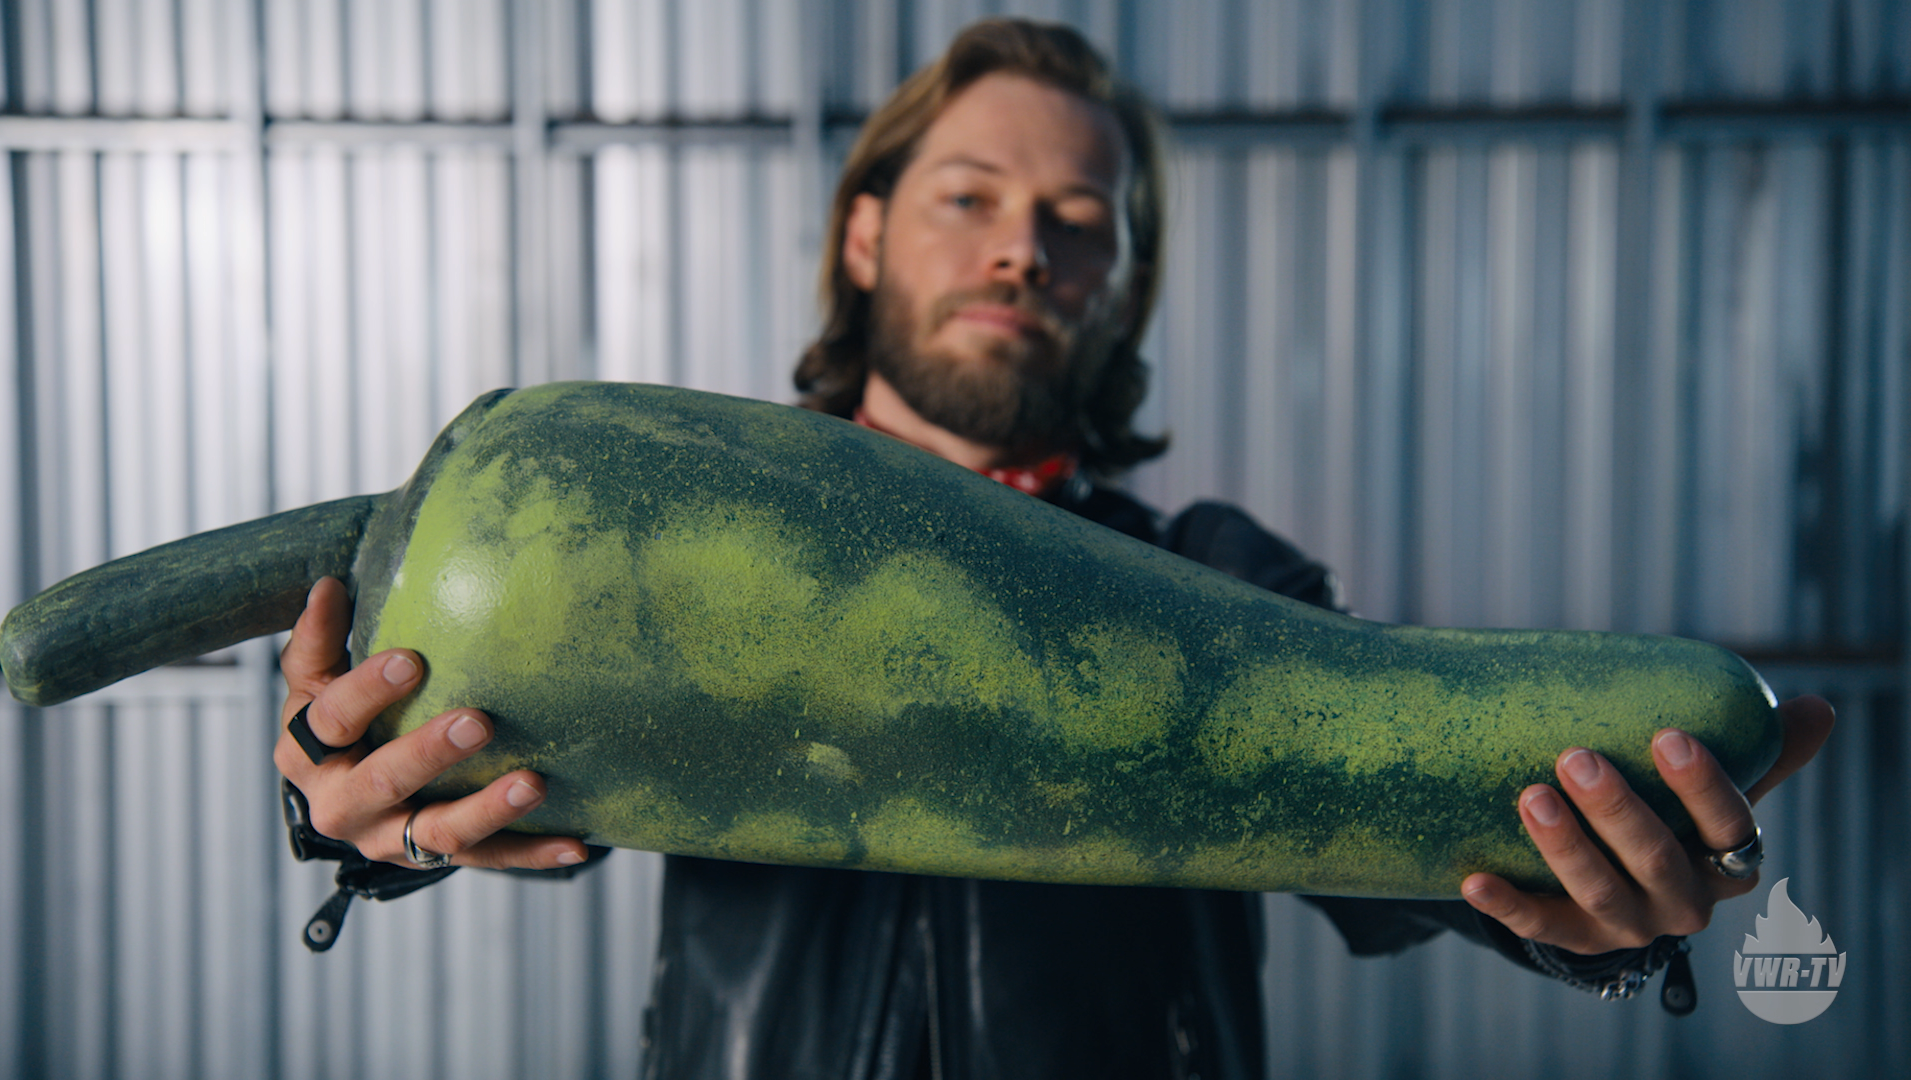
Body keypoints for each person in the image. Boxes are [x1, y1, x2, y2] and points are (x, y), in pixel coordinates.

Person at [272, 18, 1835, 1080]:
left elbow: (1407, 838)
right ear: (867, 234)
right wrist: (359, 816)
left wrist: (1593, 927)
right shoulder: (662, 557)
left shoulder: (1226, 576)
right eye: (971, 197)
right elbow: (480, 761)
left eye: (1080, 218)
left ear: (1118, 288)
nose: (1026, 245)